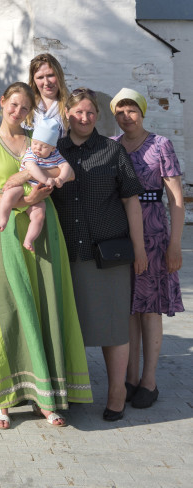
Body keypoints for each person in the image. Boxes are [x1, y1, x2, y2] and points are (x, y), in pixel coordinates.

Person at [0, 82, 92, 429]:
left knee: (45, 305)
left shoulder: (38, 142)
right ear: (2, 103)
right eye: (14, 105)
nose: (18, 112)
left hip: (44, 232)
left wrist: (29, 176)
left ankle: (47, 396)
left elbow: (63, 172)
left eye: (25, 108)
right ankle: (3, 400)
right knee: (9, 309)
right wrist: (24, 194)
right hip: (8, 230)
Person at [54, 88, 146, 421]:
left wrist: (140, 249)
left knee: (113, 327)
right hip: (65, 253)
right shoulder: (53, 150)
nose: (84, 118)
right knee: (65, 326)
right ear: (67, 114)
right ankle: (65, 392)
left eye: (90, 112)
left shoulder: (112, 150)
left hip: (107, 255)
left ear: (97, 115)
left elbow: (131, 200)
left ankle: (117, 391)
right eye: (78, 112)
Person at [111, 87, 184, 409]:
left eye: (132, 110)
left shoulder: (160, 145)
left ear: (142, 111)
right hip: (122, 233)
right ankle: (128, 377)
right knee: (129, 306)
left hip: (154, 233)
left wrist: (176, 245)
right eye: (120, 111)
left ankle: (149, 380)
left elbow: (177, 199)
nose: (127, 116)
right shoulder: (112, 147)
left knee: (150, 308)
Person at [0, 118, 74, 252]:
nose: (38, 148)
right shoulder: (31, 152)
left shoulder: (55, 155)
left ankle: (29, 239)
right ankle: (3, 219)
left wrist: (61, 178)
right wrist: (46, 179)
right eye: (35, 143)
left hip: (40, 193)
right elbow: (31, 168)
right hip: (24, 186)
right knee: (8, 195)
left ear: (53, 147)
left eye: (43, 146)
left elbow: (66, 167)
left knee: (39, 216)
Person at [27, 53, 69, 138]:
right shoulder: (27, 107)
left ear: (59, 76)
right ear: (34, 81)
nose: (46, 82)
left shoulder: (71, 105)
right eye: (40, 77)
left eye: (50, 75)